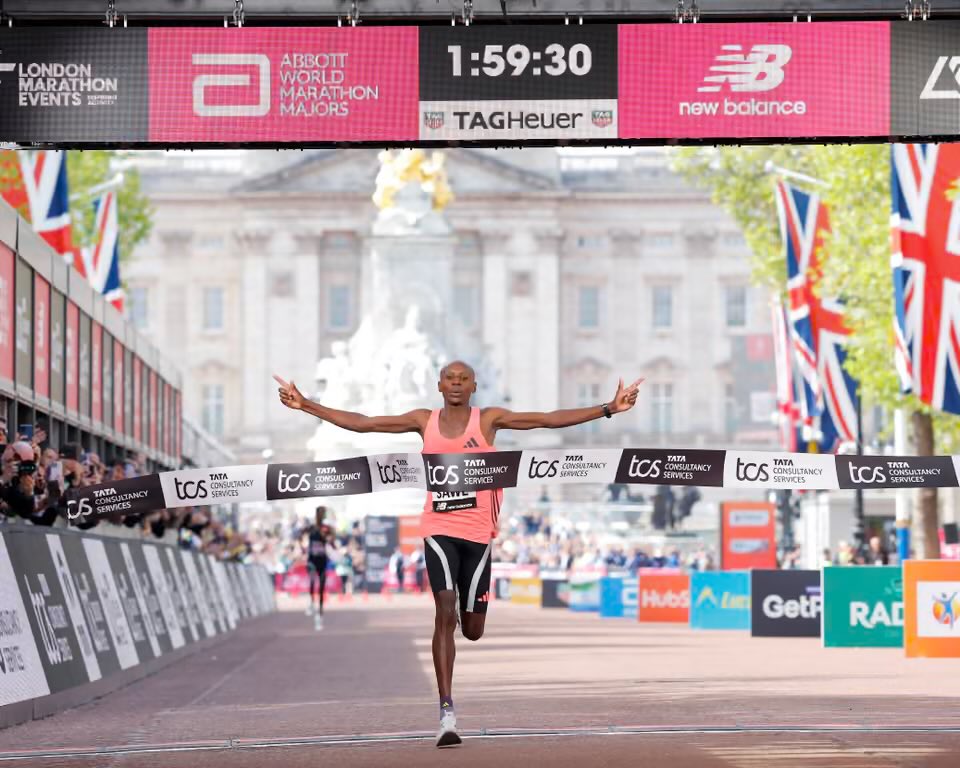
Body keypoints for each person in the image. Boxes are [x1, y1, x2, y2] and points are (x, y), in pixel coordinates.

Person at [275, 362, 642, 748]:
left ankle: (465, 626)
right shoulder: (424, 420)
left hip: (479, 535)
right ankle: (446, 710)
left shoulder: (489, 420)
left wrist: (608, 408)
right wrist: (306, 404)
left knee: (472, 630)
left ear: (473, 386)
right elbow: (365, 424)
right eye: (449, 378)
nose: (455, 383)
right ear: (439, 385)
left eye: (462, 379)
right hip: (438, 528)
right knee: (444, 608)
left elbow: (546, 420)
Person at [303, 506, 333, 631]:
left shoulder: (326, 528)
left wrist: (327, 536)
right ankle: (311, 602)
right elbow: (301, 535)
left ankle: (319, 615)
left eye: (324, 513)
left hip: (322, 559)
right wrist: (302, 546)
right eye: (321, 513)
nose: (323, 515)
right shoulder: (311, 527)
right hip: (312, 559)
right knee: (312, 580)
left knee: (321, 587)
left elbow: (330, 540)